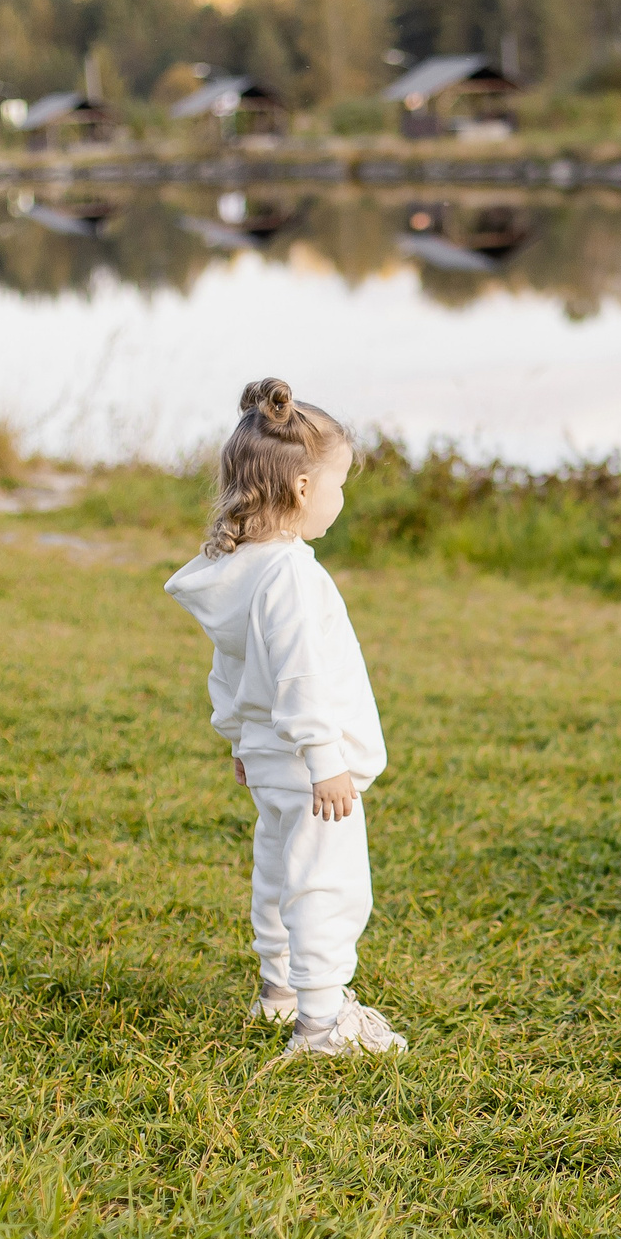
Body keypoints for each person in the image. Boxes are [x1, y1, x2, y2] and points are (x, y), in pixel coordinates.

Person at [165, 379, 406, 1056]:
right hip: (311, 769)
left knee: (278, 869)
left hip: (272, 759)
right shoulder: (292, 576)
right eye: (339, 485)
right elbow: (300, 677)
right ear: (302, 489)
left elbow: (235, 669)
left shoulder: (242, 568)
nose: (341, 499)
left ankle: (281, 992)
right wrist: (327, 764)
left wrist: (240, 738)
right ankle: (323, 1024)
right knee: (327, 882)